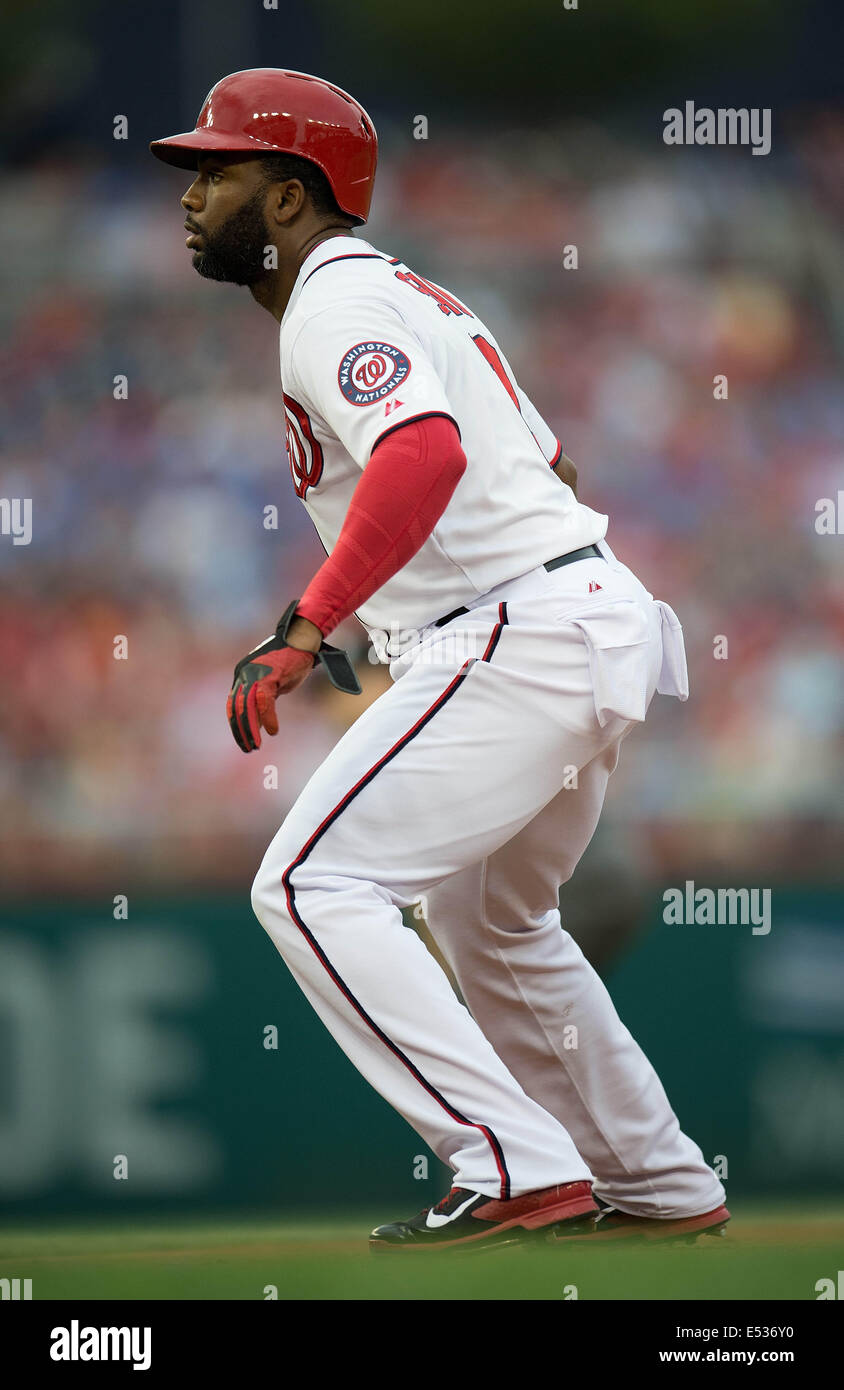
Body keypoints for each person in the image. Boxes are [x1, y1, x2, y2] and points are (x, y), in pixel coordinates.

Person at [151, 68, 729, 1252]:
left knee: (310, 885)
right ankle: (661, 1180)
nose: (194, 193)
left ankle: (508, 1161)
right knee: (495, 929)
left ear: (295, 197)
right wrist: (405, 617)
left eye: (220, 170)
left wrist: (308, 626)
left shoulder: (331, 305)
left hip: (520, 625)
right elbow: (547, 472)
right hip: (573, 617)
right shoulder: (416, 297)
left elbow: (421, 457)